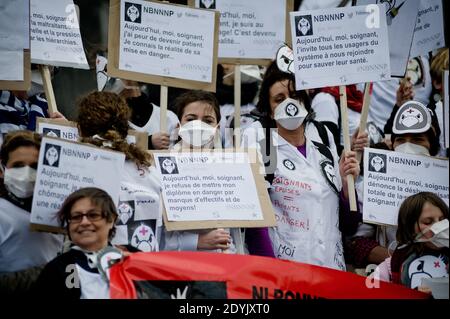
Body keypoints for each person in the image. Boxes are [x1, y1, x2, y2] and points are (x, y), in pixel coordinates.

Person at [242, 59, 360, 270]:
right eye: (279, 99)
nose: (289, 103)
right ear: (269, 110)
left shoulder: (322, 135)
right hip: (286, 275)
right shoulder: (263, 138)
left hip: (331, 270)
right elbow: (255, 214)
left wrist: (345, 187)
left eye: (295, 96)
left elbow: (348, 223)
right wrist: (271, 273)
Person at [161, 90, 274, 257]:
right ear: (179, 126)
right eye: (191, 119)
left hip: (228, 266)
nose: (199, 125)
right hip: (183, 268)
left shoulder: (235, 166)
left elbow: (249, 228)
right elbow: (155, 235)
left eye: (207, 121)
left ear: (217, 129)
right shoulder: (161, 169)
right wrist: (196, 241)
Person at [348, 100, 442, 269]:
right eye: (401, 140)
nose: (408, 146)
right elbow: (356, 242)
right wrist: (399, 259)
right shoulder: (375, 184)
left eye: (417, 139)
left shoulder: (445, 182)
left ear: (432, 145)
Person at [76, 91, 161, 253]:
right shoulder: (150, 171)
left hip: (92, 268)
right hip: (141, 267)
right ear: (126, 127)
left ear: (80, 128)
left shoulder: (75, 168)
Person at [0, 131, 63, 295]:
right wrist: (47, 274)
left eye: (35, 166)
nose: (26, 174)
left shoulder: (60, 212)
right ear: (2, 169)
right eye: (18, 166)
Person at [33, 187, 122, 299]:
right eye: (76, 217)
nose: (84, 222)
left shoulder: (134, 258)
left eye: (93, 215)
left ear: (111, 220)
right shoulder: (57, 270)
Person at [376, 192, 448, 293]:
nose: (439, 227)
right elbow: (374, 293)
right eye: (428, 222)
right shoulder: (390, 266)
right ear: (409, 227)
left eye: (442, 220)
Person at [0, 66, 66, 145]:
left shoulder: (46, 109)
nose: (47, 74)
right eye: (39, 67)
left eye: (51, 71)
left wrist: (67, 132)